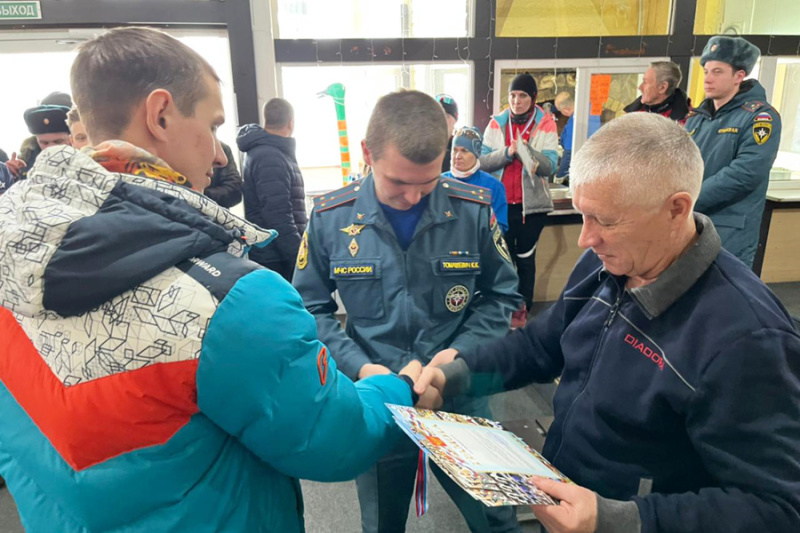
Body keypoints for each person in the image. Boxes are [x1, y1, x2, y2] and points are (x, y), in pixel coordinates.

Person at [0, 27, 424, 533]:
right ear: (160, 115)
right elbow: (333, 438)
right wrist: (395, 391)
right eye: (213, 124)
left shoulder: (11, 252)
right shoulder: (228, 299)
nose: (221, 155)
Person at [416, 113, 800, 533]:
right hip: (567, 504)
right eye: (583, 215)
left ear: (677, 208)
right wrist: (454, 375)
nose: (586, 238)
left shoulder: (746, 338)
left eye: (606, 220)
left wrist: (619, 520)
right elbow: (541, 346)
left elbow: (777, 508)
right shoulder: (607, 263)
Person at [293, 90, 521, 533]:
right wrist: (361, 369)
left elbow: (502, 297)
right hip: (379, 398)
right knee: (381, 522)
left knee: (498, 519)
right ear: (367, 153)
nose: (414, 197)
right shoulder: (329, 218)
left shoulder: (472, 210)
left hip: (459, 392)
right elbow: (308, 310)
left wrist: (452, 362)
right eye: (398, 182)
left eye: (428, 182)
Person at [686, 36, 781, 268]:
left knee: (723, 297)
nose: (708, 79)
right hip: (691, 223)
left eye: (717, 71)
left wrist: (689, 200)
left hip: (729, 229)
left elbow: (745, 173)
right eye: (706, 71)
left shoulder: (760, 117)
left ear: (739, 76)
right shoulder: (696, 119)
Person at [480, 73, 558, 328]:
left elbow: (550, 165)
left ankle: (524, 311)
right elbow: (481, 162)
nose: (516, 101)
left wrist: (527, 150)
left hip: (531, 209)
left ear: (533, 98)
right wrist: (507, 152)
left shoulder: (545, 123)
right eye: (513, 95)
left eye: (522, 95)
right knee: (504, 259)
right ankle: (505, 308)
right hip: (500, 205)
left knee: (525, 260)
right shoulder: (497, 123)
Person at [238, 97, 307, 282]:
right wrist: (300, 258)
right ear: (291, 122)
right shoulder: (270, 156)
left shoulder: (268, 152)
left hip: (274, 253)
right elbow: (278, 215)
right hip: (276, 257)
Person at [443, 126, 509, 233]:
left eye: (464, 151)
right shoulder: (440, 182)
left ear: (476, 154)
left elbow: (500, 228)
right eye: (455, 150)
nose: (458, 156)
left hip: (478, 247)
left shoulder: (494, 186)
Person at [5, 92, 73, 181]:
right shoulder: (27, 156)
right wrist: (8, 174)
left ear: (72, 138)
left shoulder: (85, 155)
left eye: (58, 142)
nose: (50, 147)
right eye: (44, 142)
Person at [624, 61, 690, 124]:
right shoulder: (631, 114)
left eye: (645, 82)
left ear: (662, 87)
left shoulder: (687, 122)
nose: (640, 87)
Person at [204, 141, 243, 208]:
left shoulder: (223, 149)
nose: (223, 160)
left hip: (215, 214)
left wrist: (203, 196)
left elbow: (235, 191)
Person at [554, 92, 575, 181]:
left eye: (560, 111)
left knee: (560, 177)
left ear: (566, 109)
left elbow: (568, 149)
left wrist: (559, 176)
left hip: (570, 154)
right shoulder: (584, 114)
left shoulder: (572, 122)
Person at [436, 93, 458, 173]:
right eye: (437, 116)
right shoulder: (424, 147)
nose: (441, 120)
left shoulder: (461, 147)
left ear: (455, 120)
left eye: (446, 116)